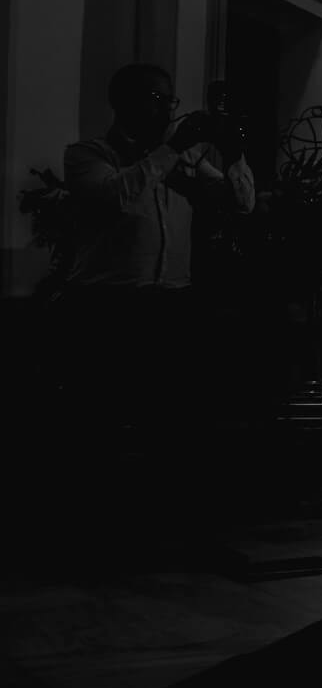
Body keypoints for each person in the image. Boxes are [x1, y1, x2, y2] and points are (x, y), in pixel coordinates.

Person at [59, 65, 255, 455]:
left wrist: (234, 153)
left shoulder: (182, 161)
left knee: (170, 424)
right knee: (104, 423)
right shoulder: (89, 154)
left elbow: (243, 203)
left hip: (171, 305)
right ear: (123, 103)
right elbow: (115, 194)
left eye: (170, 101)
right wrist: (173, 148)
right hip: (108, 307)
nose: (166, 110)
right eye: (155, 100)